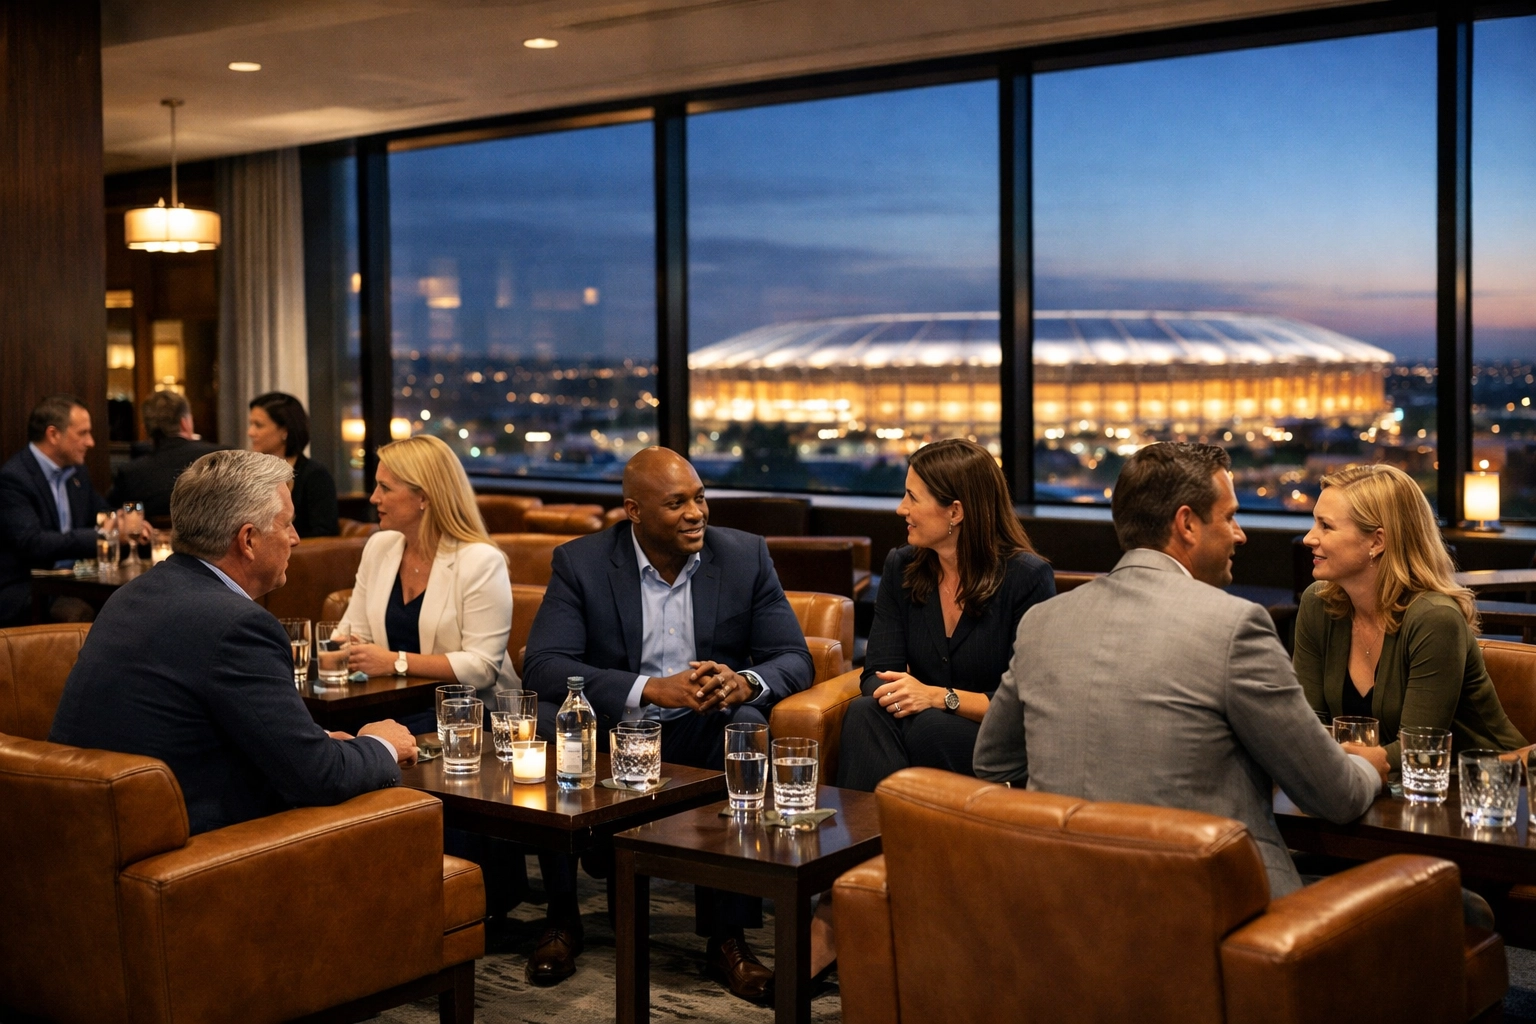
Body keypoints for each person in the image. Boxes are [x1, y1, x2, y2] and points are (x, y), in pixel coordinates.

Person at [974, 442, 1384, 899]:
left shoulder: (1043, 622)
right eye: (1229, 517)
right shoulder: (1233, 626)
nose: (1240, 535)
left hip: (1064, 905)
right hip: (1211, 908)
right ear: (1187, 524)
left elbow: (993, 761)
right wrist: (1367, 767)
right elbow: (1336, 795)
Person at [522, 446, 813, 998]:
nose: (696, 513)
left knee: (745, 724)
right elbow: (544, 664)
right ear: (634, 511)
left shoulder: (744, 555)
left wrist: (743, 681)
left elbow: (794, 658)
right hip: (614, 727)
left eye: (700, 498)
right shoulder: (581, 562)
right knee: (544, 724)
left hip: (699, 725)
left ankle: (727, 937)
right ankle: (562, 917)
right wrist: (649, 688)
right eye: (676, 503)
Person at [49, 450, 415, 835]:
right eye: (287, 524)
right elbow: (320, 778)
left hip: (82, 833)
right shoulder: (237, 625)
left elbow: (190, 724)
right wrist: (381, 745)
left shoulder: (133, 594)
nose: (295, 538)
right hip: (185, 847)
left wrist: (316, 742)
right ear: (248, 540)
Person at [838, 438, 1054, 792]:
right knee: (865, 713)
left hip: (995, 741)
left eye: (912, 497)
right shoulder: (902, 565)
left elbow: (1026, 702)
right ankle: (877, 828)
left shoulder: (1026, 578)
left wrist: (937, 697)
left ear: (955, 512)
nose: (901, 509)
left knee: (928, 727)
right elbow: (877, 672)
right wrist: (904, 694)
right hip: (922, 723)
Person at [1295, 463, 1525, 768]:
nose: (1309, 538)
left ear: (1377, 541)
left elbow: (1419, 749)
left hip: (1484, 784)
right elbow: (1307, 723)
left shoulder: (1435, 619)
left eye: (1326, 526)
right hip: (1368, 784)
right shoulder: (1318, 604)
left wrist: (1330, 758)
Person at [340, 434, 517, 708]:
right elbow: (351, 632)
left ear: (423, 497)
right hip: (389, 702)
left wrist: (395, 662)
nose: (374, 498)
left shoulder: (481, 561)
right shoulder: (379, 546)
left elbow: (482, 668)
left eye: (385, 488)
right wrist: (345, 647)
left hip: (466, 712)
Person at [0, 395, 116, 625]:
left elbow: (101, 512)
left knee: (125, 602)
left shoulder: (77, 473)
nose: (91, 442)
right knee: (82, 611)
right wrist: (100, 536)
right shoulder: (14, 479)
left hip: (72, 580)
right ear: (53, 434)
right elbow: (32, 543)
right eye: (83, 433)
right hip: (25, 586)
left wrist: (122, 520)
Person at [109, 390, 220, 518]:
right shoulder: (219, 458)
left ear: (145, 429)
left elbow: (114, 514)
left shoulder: (130, 474)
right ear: (184, 423)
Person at [248, 391, 339, 538]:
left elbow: (325, 534)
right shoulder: (252, 473)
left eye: (258, 425)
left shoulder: (316, 475)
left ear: (285, 430)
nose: (250, 432)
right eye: (251, 424)